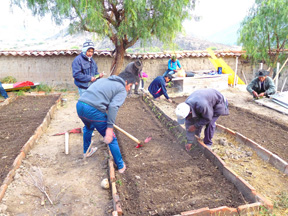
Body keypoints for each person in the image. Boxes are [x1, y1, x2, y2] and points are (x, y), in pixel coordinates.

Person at [76, 71, 136, 174]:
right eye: (130, 86)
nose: (129, 89)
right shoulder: (121, 89)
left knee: (88, 128)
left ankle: (86, 151)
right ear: (126, 82)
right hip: (93, 111)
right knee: (111, 138)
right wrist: (109, 127)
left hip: (80, 105)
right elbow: (113, 106)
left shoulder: (104, 80)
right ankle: (121, 166)